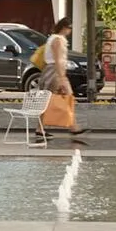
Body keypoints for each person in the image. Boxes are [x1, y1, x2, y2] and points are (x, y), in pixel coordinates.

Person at [31, 18, 83, 146]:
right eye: (70, 28)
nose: (70, 30)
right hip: (54, 72)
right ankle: (73, 127)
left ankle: (41, 129)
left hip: (51, 71)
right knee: (66, 97)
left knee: (48, 100)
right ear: (64, 27)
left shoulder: (53, 39)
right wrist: (62, 77)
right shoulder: (58, 40)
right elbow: (58, 59)